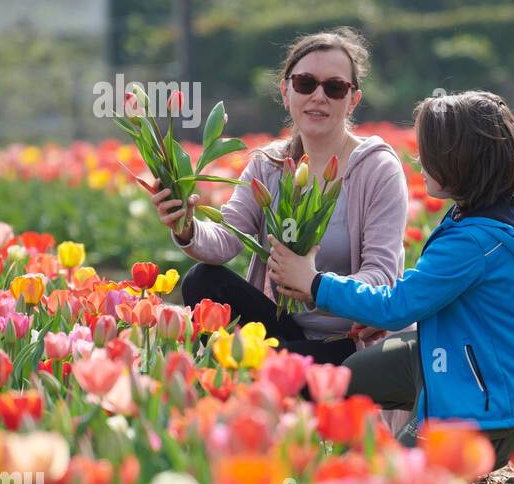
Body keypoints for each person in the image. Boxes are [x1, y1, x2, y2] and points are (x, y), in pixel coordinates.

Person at [266, 90, 514, 467]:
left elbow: (397, 307)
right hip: (460, 356)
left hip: (491, 400)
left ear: (463, 162)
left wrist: (314, 283)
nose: (418, 159)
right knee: (350, 376)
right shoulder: (490, 214)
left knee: (400, 479)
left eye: (430, 152)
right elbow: (425, 287)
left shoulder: (474, 240)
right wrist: (373, 311)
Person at [150, 27, 409, 364]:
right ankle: (246, 363)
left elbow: (382, 279)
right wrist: (187, 227)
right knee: (203, 280)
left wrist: (313, 283)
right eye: (305, 84)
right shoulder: (270, 165)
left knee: (256, 363)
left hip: (351, 341)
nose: (318, 96)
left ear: (352, 100)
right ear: (286, 91)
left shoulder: (376, 169)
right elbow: (228, 237)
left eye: (334, 87)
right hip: (287, 327)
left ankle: (236, 367)